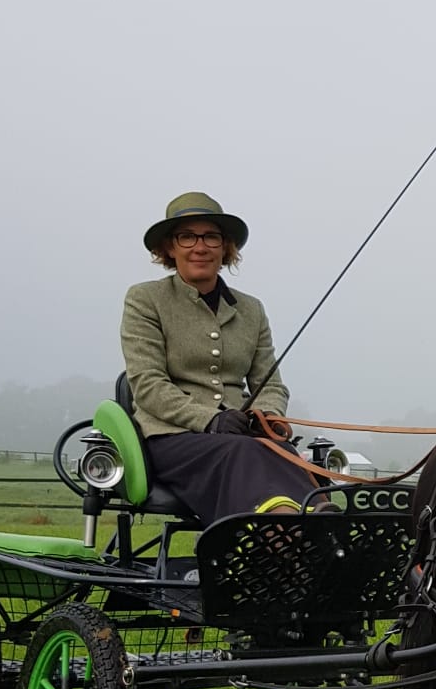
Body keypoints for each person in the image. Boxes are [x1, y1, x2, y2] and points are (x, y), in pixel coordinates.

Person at [120, 193, 325, 526]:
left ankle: (317, 523)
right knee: (243, 451)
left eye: (211, 237)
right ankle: (287, 532)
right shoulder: (145, 299)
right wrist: (211, 420)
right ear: (169, 248)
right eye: (187, 237)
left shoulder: (251, 309)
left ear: (225, 246)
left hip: (242, 439)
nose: (200, 247)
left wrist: (267, 416)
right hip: (172, 439)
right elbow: (148, 384)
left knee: (287, 455)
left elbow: (270, 383)